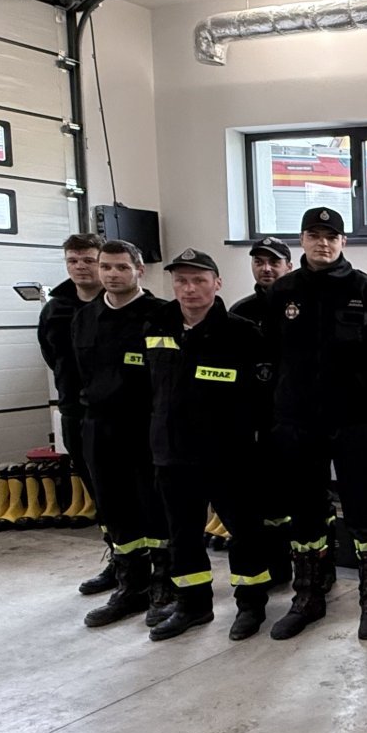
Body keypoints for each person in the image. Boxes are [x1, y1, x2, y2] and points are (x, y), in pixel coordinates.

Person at [264, 206, 367, 641]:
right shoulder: (282, 292)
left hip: (356, 422)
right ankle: (308, 596)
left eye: (331, 236)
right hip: (298, 421)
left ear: (343, 242)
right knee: (305, 512)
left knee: (363, 511)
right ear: (302, 240)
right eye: (314, 235)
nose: (323, 243)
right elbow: (270, 357)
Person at [143, 249, 276, 642]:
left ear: (217, 284)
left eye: (199, 280)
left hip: (228, 455)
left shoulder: (242, 333)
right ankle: (193, 605)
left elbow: (262, 398)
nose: (190, 288)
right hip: (171, 453)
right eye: (182, 280)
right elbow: (144, 389)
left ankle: (251, 604)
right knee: (182, 535)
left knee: (245, 532)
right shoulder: (156, 326)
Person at [70, 240, 168, 628]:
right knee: (115, 508)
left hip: (146, 426)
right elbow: (78, 371)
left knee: (155, 506)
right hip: (99, 427)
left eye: (121, 267)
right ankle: (131, 587)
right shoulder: (85, 318)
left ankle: (164, 586)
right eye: (106, 267)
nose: (112, 274)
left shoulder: (161, 315)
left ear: (139, 270)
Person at [39, 233, 109, 594]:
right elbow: (51, 356)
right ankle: (119, 559)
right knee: (97, 491)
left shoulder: (117, 304)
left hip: (117, 415)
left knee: (136, 493)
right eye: (73, 260)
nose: (80, 267)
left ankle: (157, 566)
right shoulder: (55, 309)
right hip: (74, 412)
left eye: (88, 260)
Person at [228, 236, 292, 332]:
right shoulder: (240, 310)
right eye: (259, 262)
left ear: (289, 267)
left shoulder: (302, 304)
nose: (266, 269)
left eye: (274, 262)